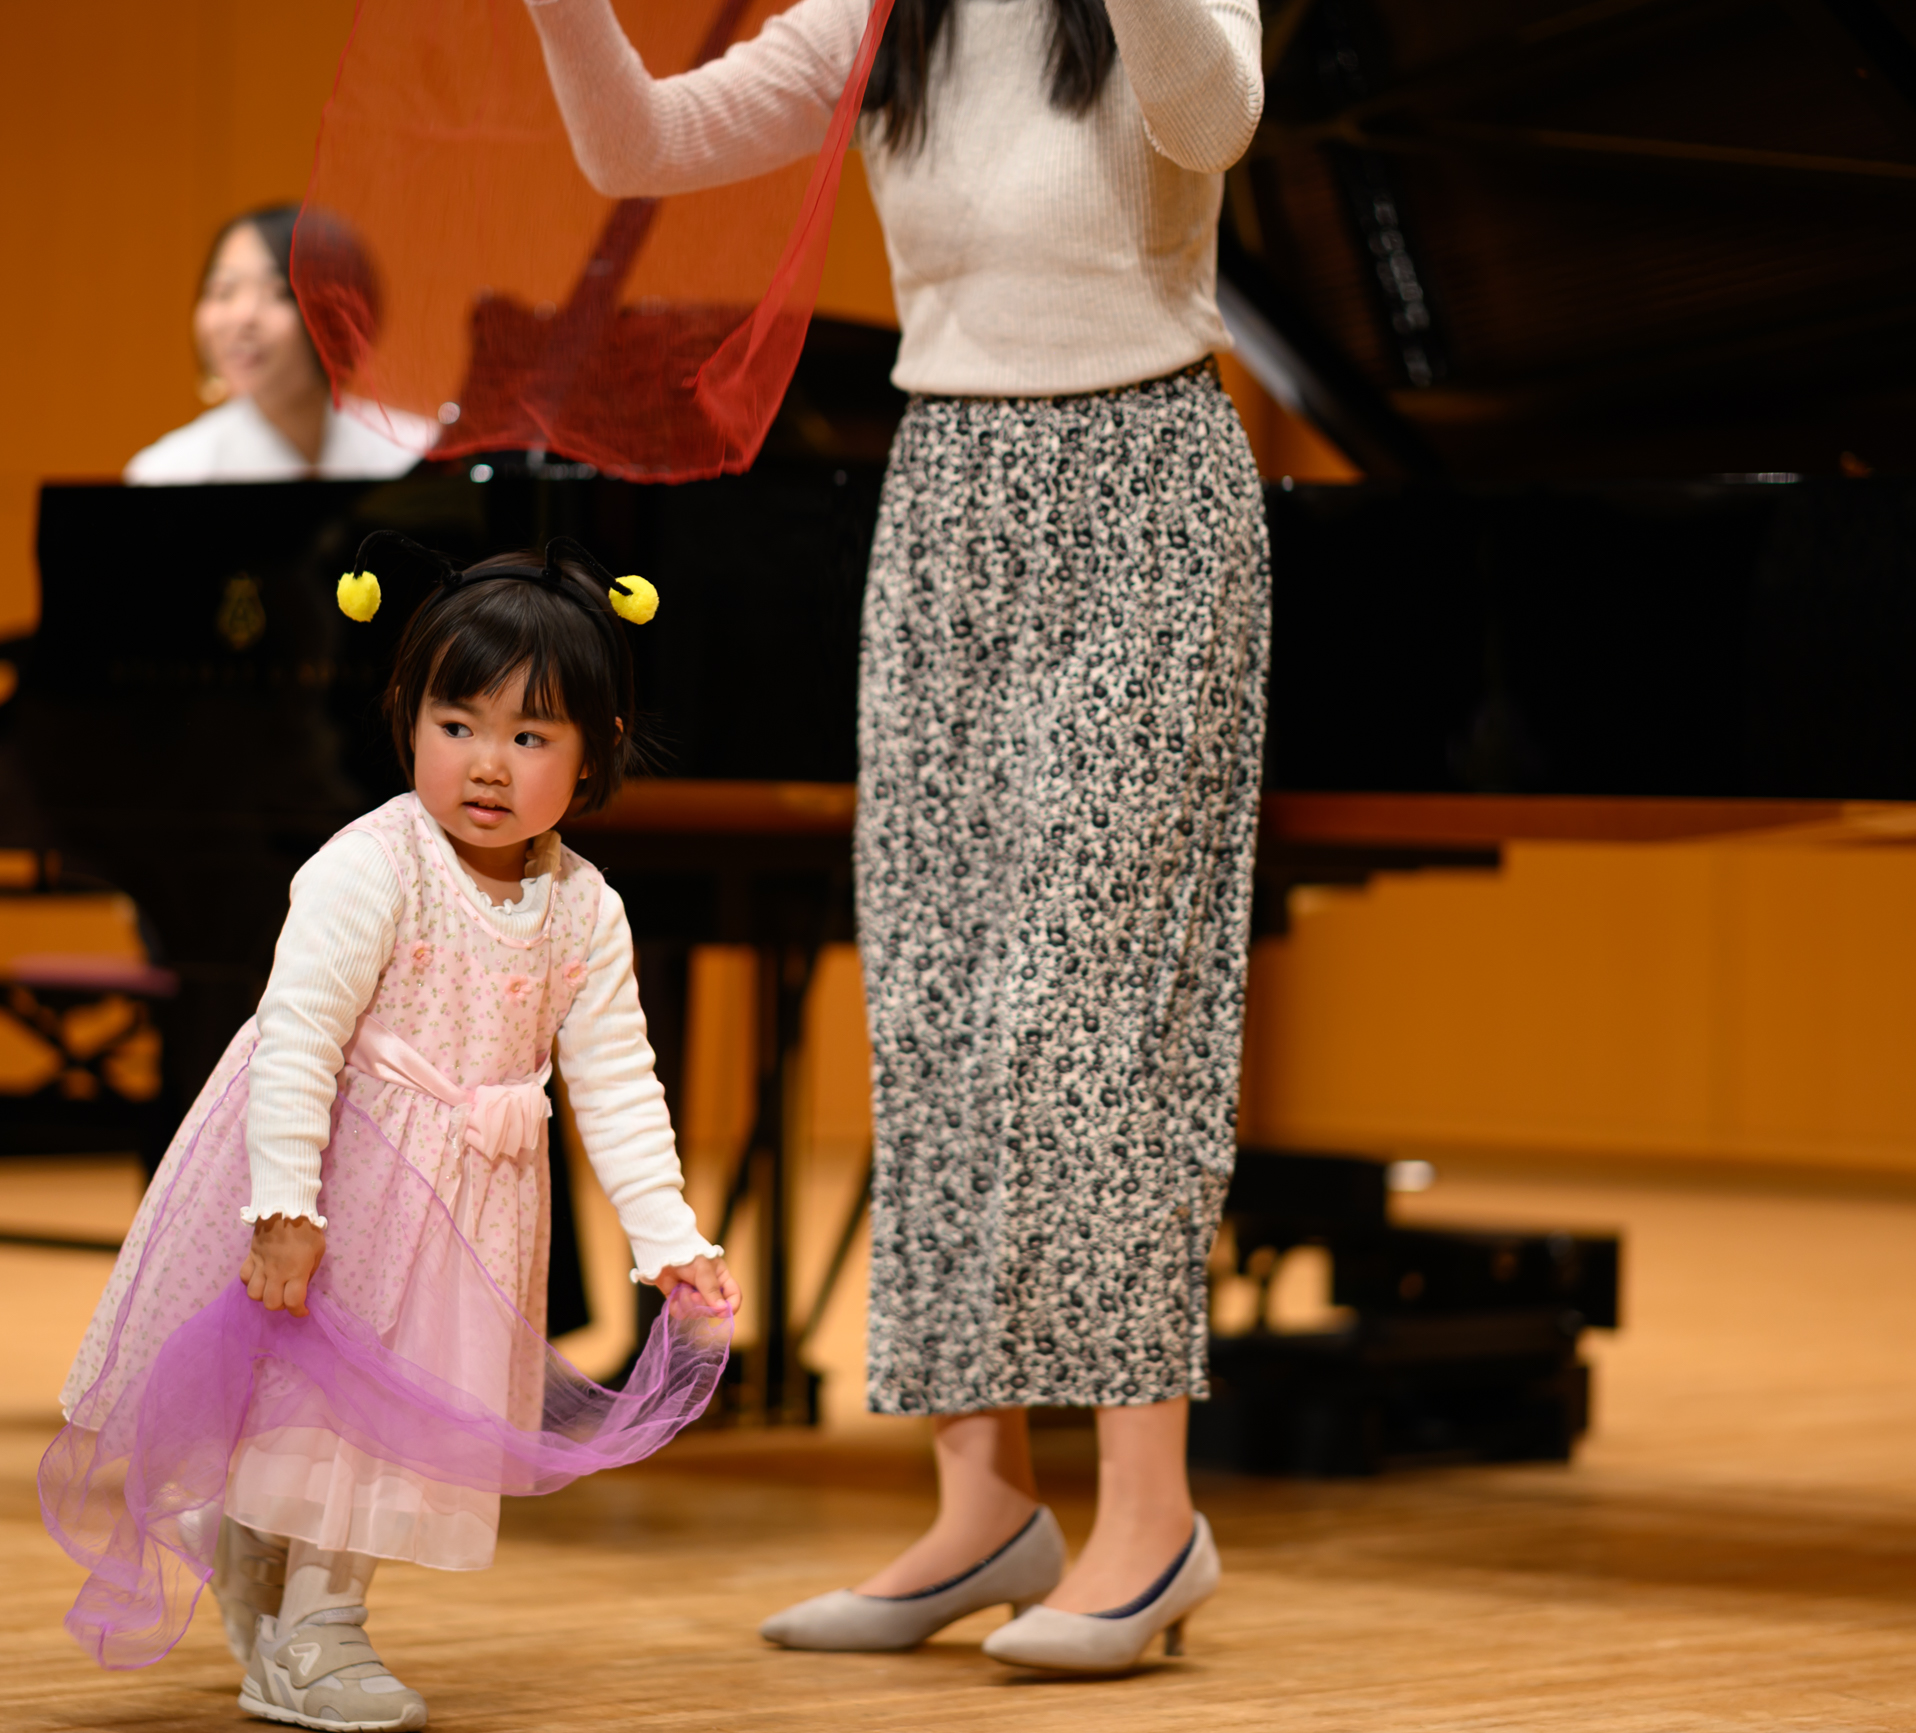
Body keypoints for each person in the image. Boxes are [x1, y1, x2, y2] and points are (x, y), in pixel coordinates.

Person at [527, 0, 1270, 1675]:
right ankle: (983, 1501)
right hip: (944, 496)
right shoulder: (880, 12)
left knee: (1097, 1013)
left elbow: (1211, 117)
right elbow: (634, 144)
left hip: (1143, 479)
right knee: (936, 1001)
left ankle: (1151, 1515)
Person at [42, 537, 737, 1732]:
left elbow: (619, 1081)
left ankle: (287, 1595)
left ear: (595, 754)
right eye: (456, 722)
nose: (486, 762)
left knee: (383, 1425)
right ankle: (314, 1631)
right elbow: (297, 1039)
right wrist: (283, 1207)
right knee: (317, 1417)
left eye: (530, 737)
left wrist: (666, 1236)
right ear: (406, 716)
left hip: (464, 1212)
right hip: (339, 1183)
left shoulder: (583, 905)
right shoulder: (370, 866)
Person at [126, 205, 435, 485]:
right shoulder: (169, 476)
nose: (243, 317)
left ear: (338, 315)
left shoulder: (418, 458)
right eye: (223, 292)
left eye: (278, 293)